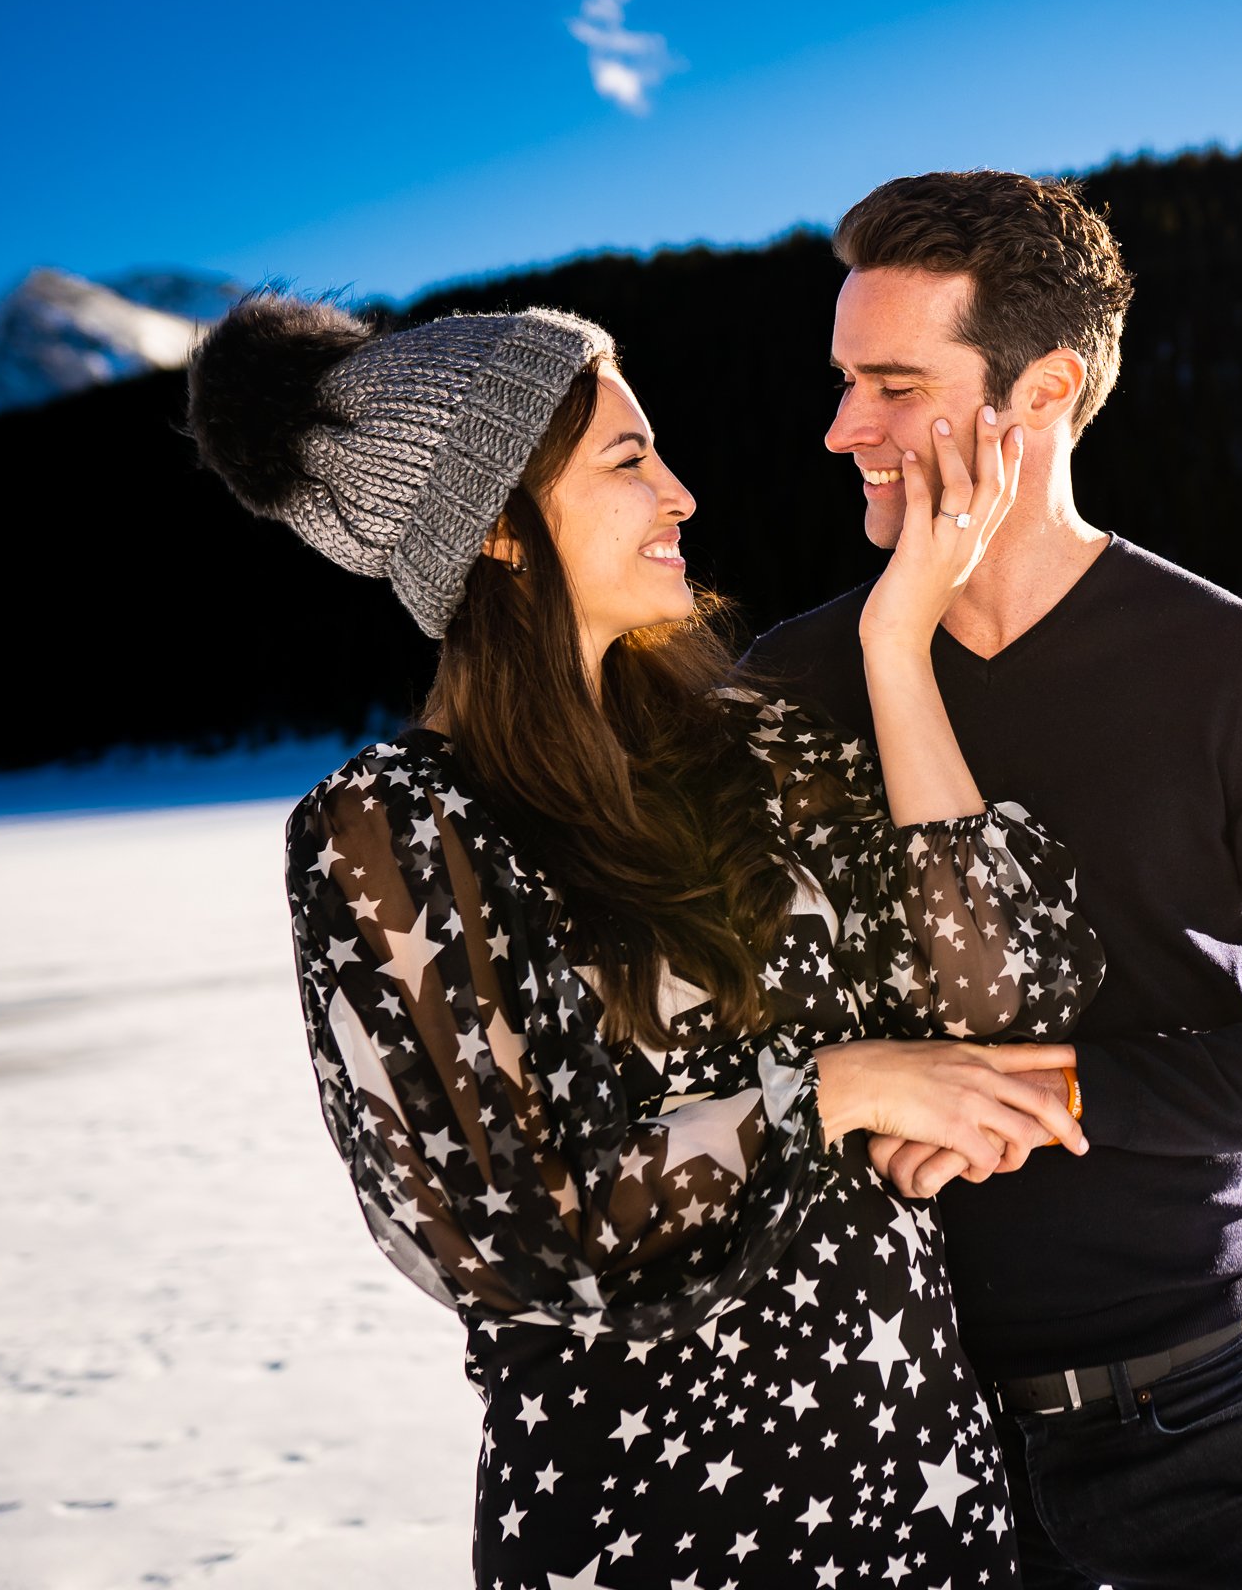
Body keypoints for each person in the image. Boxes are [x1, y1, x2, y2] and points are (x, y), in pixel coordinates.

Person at [184, 293, 1107, 1589]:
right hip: (663, 1531)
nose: (680, 494)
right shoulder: (393, 831)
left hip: (926, 1495)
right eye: (627, 460)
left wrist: (898, 646)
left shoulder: (756, 752)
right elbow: (508, 1235)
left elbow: (1010, 997)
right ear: (497, 525)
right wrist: (833, 1092)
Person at [751, 171, 1242, 1589]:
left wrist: (1058, 1092)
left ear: (1044, 389)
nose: (842, 430)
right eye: (842, 383)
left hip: (1202, 1414)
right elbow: (731, 1039)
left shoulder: (1228, 667)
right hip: (896, 1437)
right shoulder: (789, 686)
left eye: (891, 383)